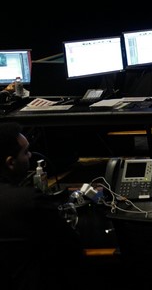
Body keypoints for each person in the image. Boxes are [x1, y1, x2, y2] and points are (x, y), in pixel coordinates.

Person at [0, 122, 86, 290]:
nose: (31, 155)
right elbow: (70, 245)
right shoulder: (28, 201)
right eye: (25, 152)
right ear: (10, 162)